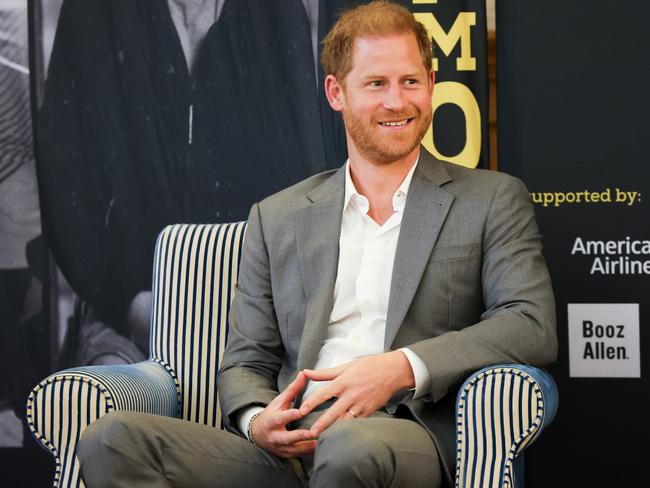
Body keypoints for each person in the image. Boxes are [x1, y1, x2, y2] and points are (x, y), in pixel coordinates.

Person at [77, 2, 557, 487]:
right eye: (376, 84)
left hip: (401, 432)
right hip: (290, 443)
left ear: (431, 86)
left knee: (350, 447)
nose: (397, 101)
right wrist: (255, 420)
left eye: (410, 81)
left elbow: (530, 323)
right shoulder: (277, 216)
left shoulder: (491, 199)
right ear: (336, 92)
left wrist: (400, 368)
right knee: (112, 438)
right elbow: (246, 360)